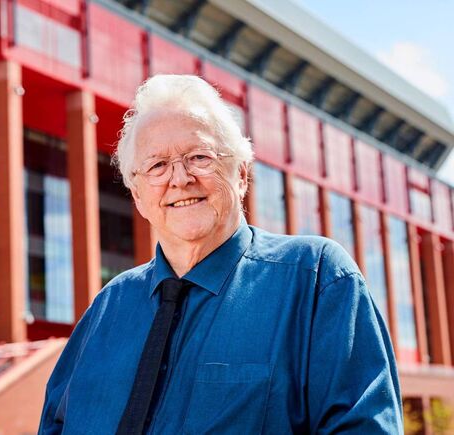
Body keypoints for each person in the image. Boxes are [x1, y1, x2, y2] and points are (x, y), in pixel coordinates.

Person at [38, 74, 401, 434]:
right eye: (157, 166)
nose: (179, 179)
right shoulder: (106, 308)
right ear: (137, 196)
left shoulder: (316, 278)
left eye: (199, 157)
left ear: (241, 174)